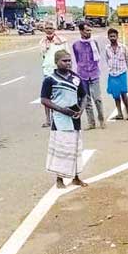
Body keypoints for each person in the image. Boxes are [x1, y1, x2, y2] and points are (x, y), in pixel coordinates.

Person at [40, 50, 88, 189]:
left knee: (75, 148)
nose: (68, 63)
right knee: (61, 148)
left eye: (69, 60)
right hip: (60, 118)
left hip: (74, 117)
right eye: (64, 61)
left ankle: (76, 177)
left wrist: (81, 110)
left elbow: (84, 95)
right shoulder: (50, 79)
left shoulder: (76, 78)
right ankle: (59, 179)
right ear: (57, 62)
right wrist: (61, 109)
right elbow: (44, 99)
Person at [72, 21, 106, 129]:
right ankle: (91, 122)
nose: (89, 32)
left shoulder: (94, 43)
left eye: (90, 30)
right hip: (82, 74)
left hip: (94, 73)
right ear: (81, 31)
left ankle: (101, 119)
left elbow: (98, 57)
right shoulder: (76, 45)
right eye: (86, 30)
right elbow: (77, 59)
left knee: (97, 98)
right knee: (86, 100)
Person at [39, 22, 67, 127]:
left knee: (61, 96)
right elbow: (43, 56)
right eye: (47, 28)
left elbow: (66, 55)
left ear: (54, 29)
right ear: (44, 30)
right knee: (46, 96)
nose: (49, 30)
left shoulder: (62, 41)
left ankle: (60, 118)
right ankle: (48, 120)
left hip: (59, 72)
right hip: (47, 71)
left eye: (51, 28)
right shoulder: (42, 42)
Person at [104, 28, 128, 120]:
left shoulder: (123, 47)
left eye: (114, 36)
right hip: (112, 74)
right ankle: (119, 113)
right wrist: (110, 68)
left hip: (121, 73)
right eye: (111, 36)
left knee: (124, 93)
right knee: (115, 95)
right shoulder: (107, 48)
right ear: (108, 37)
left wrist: (123, 69)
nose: (112, 38)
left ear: (117, 36)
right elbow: (107, 59)